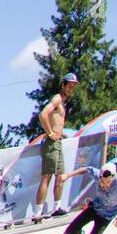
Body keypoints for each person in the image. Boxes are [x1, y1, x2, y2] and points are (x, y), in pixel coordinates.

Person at [31, 73, 79, 223]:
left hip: (57, 142)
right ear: (63, 85)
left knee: (60, 175)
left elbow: (55, 121)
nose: (71, 88)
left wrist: (60, 134)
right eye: (69, 85)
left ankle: (57, 208)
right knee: (47, 176)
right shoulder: (57, 98)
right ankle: (37, 213)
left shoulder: (63, 102)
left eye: (73, 85)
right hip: (51, 144)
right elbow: (43, 114)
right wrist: (50, 133)